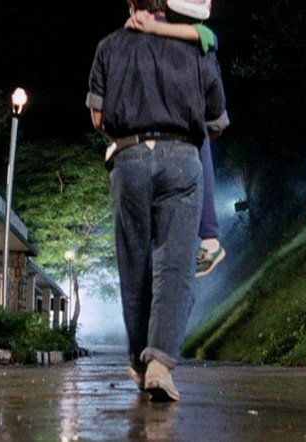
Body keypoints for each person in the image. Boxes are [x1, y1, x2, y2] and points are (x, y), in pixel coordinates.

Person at [86, 0, 229, 401]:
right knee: (175, 266)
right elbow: (216, 120)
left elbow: (98, 118)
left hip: (128, 157)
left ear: (130, 3)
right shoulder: (195, 46)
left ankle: (138, 359)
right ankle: (160, 365)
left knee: (134, 266)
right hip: (182, 158)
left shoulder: (108, 47)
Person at [125, 2, 226, 278]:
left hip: (189, 118)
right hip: (170, 121)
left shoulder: (194, 34)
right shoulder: (165, 36)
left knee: (199, 142)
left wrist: (153, 26)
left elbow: (208, 37)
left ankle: (209, 239)